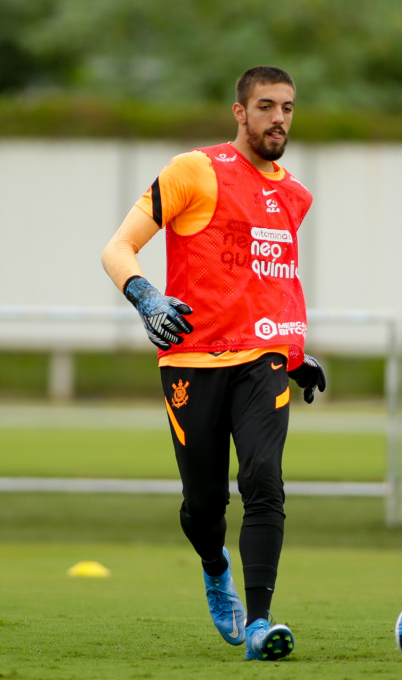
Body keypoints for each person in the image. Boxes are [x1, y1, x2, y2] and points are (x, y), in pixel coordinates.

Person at [101, 65, 326, 661]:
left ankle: (260, 623)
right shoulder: (193, 171)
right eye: (267, 106)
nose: (279, 118)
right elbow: (116, 248)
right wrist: (147, 298)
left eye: (288, 108)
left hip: (262, 362)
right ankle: (212, 564)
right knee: (203, 507)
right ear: (240, 112)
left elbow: (274, 283)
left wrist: (295, 357)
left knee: (263, 479)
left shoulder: (295, 195)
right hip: (191, 362)